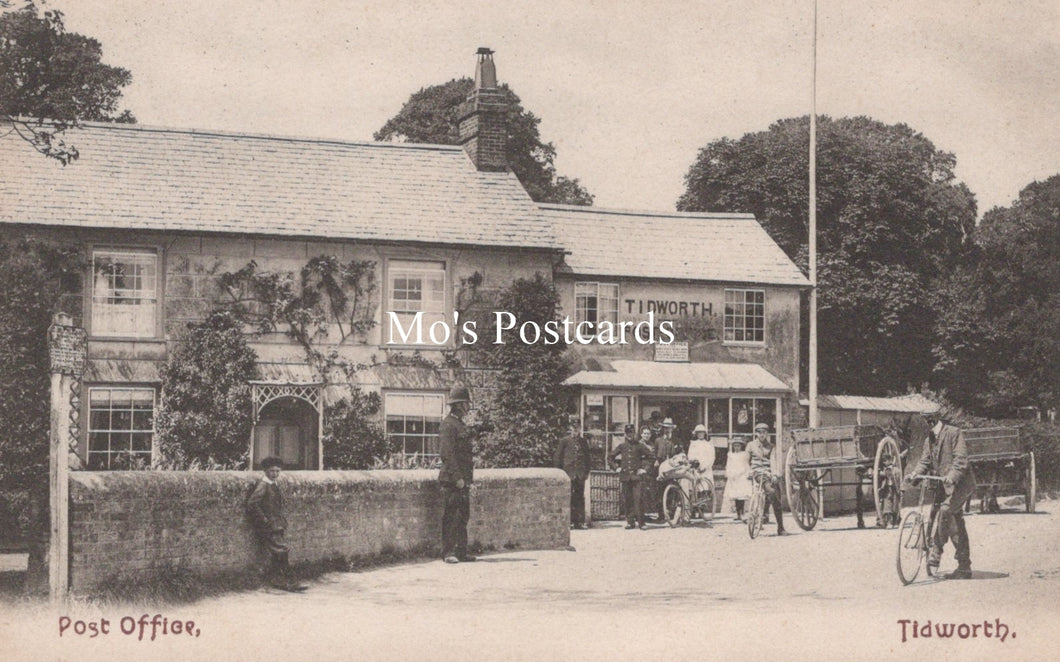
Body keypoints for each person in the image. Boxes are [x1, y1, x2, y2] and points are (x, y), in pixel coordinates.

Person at [908, 410, 975, 579]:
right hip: (943, 485)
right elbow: (925, 461)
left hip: (960, 484)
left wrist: (951, 477)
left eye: (929, 420)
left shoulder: (954, 433)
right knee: (954, 523)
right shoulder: (928, 439)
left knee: (946, 511)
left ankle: (936, 550)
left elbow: (961, 460)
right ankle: (964, 566)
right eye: (925, 420)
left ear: (935, 419)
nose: (927, 423)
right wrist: (915, 473)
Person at [246, 457, 307, 591]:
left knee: (278, 553)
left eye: (278, 471)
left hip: (277, 524)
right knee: (282, 550)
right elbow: (252, 504)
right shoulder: (263, 485)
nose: (275, 474)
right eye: (272, 471)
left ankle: (276, 580)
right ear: (265, 471)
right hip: (269, 526)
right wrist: (264, 520)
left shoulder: (273, 484)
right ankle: (290, 581)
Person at [439, 383, 476, 564]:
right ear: (460, 405)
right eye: (466, 404)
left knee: (463, 516)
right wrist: (458, 478)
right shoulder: (448, 425)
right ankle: (448, 553)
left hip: (463, 479)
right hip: (453, 480)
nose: (468, 407)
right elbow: (448, 454)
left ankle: (461, 551)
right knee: (451, 516)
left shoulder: (460, 424)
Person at [610, 425, 655, 529]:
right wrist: (616, 467)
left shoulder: (639, 445)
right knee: (627, 499)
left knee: (638, 499)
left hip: (636, 477)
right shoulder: (622, 446)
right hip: (625, 477)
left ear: (634, 434)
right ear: (625, 434)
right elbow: (610, 457)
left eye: (631, 433)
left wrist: (644, 469)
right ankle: (630, 522)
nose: (630, 435)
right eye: (628, 433)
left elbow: (651, 457)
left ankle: (641, 523)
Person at [746, 422, 787, 536]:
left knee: (776, 492)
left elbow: (773, 461)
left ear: (767, 433)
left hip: (768, 473)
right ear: (756, 433)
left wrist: (774, 474)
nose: (762, 435)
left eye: (764, 432)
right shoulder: (750, 445)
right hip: (757, 473)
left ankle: (780, 527)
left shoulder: (771, 447)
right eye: (759, 432)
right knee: (771, 491)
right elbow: (746, 461)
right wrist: (749, 471)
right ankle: (764, 512)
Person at [555, 415, 592, 529]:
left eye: (578, 427)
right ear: (570, 428)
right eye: (574, 427)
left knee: (579, 497)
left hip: (580, 474)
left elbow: (588, 458)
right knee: (568, 496)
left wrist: (586, 473)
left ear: (580, 428)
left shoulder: (583, 441)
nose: (576, 429)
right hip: (568, 473)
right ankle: (569, 522)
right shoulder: (564, 441)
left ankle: (579, 522)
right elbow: (558, 458)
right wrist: (560, 473)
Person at [724, 436, 752, 521]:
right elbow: (728, 465)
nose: (736, 448)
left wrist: (744, 473)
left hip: (741, 476)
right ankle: (738, 514)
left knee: (741, 496)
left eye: (738, 446)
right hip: (733, 477)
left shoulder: (744, 455)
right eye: (735, 446)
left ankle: (743, 513)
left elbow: (746, 465)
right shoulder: (730, 454)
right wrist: (729, 473)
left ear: (741, 446)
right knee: (735, 496)